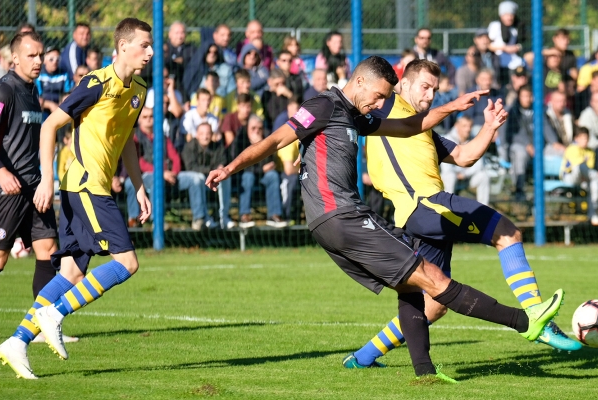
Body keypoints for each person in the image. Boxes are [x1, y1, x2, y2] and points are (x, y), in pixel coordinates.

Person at [205, 56, 565, 382]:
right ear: (359, 81)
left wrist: (453, 106)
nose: (380, 105)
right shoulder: (323, 105)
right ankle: (526, 321)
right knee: (436, 278)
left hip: (331, 221)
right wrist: (230, 167)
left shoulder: (354, 117)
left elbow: (411, 127)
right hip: (344, 215)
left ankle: (420, 371)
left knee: (414, 286)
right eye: (378, 96)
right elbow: (275, 139)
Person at [345, 61, 579, 371]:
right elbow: (344, 108)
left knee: (435, 302)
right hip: (428, 205)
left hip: (421, 216)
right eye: (425, 87)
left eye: (436, 90)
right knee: (506, 232)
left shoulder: (423, 127)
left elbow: (465, 156)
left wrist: (489, 127)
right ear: (404, 84)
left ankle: (363, 358)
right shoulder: (388, 106)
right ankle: (536, 316)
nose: (430, 95)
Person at [5, 18, 152, 377]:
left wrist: (138, 186)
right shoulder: (96, 83)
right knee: (127, 263)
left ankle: (17, 341)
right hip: (85, 186)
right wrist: (46, 179)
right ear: (122, 47)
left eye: (151, 46)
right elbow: (50, 125)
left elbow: (128, 141)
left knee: (70, 272)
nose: (150, 52)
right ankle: (53, 314)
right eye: (144, 45)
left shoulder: (140, 88)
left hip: (92, 187)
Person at [0, 32, 78, 380]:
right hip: (8, 190)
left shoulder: (33, 92)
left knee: (48, 251)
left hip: (34, 190)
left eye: (41, 55)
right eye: (31, 55)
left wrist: (43, 179)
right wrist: (2, 171)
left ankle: (40, 326)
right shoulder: (5, 90)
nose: (38, 60)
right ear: (15, 59)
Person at [122, 107, 181, 228]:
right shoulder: (135, 136)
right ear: (139, 120)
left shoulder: (162, 136)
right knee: (154, 180)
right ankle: (153, 221)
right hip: (146, 175)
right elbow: (139, 162)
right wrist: (161, 173)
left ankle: (200, 219)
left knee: (195, 179)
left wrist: (174, 173)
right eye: (145, 117)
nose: (149, 119)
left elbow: (175, 157)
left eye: (151, 116)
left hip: (169, 175)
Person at [561, 127, 598, 225]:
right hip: (570, 178)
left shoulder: (590, 152)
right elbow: (578, 167)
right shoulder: (572, 148)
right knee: (580, 166)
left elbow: (590, 169)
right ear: (576, 138)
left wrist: (591, 175)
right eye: (582, 138)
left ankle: (593, 214)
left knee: (594, 184)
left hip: (585, 179)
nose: (585, 140)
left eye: (586, 138)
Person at [182, 122, 229, 229]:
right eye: (202, 133)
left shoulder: (218, 147)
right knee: (198, 178)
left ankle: (223, 216)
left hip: (214, 180)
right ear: (197, 134)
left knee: (225, 178)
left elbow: (222, 162)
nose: (205, 136)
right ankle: (202, 218)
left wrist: (218, 170)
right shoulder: (189, 147)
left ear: (212, 134)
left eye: (208, 133)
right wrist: (211, 171)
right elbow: (190, 168)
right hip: (197, 183)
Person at [440, 116, 490, 205]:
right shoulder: (446, 139)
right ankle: (447, 208)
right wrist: (458, 173)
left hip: (467, 177)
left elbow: (479, 165)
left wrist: (464, 174)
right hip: (449, 177)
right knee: (449, 176)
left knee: (483, 176)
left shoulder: (475, 140)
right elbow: (446, 167)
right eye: (464, 126)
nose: (468, 129)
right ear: (456, 126)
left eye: (470, 126)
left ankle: (484, 212)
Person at [488, 1, 525, 85]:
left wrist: (517, 48)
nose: (509, 18)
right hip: (498, 62)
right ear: (501, 15)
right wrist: (504, 48)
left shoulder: (516, 28)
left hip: (514, 62)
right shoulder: (495, 26)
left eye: (511, 15)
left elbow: (520, 43)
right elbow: (488, 45)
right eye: (506, 15)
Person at [37, 46, 70, 116]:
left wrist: (62, 103)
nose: (55, 62)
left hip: (60, 107)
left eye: (57, 59)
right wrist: (50, 105)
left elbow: (67, 92)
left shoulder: (64, 74)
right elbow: (37, 97)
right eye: (51, 59)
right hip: (43, 108)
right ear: (44, 60)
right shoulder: (39, 75)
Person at [165, 21, 195, 90]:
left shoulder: (191, 49)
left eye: (182, 33)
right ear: (170, 34)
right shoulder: (164, 49)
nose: (179, 36)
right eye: (176, 33)